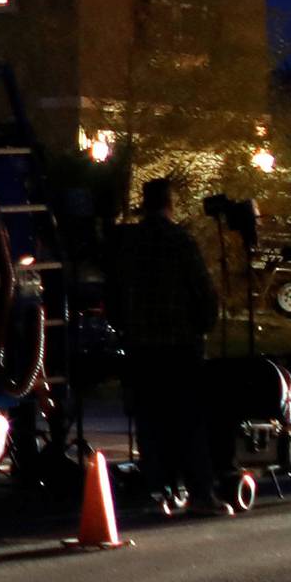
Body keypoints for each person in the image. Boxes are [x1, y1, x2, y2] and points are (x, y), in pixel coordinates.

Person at [106, 177, 228, 516]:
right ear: (170, 203)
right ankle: (201, 492)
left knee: (150, 420)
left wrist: (124, 328)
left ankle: (155, 489)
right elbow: (203, 292)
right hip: (180, 345)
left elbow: (113, 294)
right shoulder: (180, 241)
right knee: (189, 420)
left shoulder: (128, 245)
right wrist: (203, 327)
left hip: (142, 346)